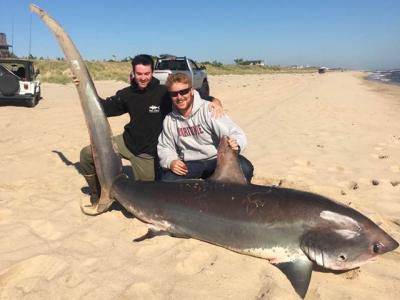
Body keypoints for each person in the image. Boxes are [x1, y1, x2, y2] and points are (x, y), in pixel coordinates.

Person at [79, 54, 223, 204]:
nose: (143, 78)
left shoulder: (164, 93)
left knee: (147, 198)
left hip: (148, 154)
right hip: (126, 142)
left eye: (147, 73)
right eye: (139, 74)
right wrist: (83, 86)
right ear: (133, 73)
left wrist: (215, 102)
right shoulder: (126, 94)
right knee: (87, 155)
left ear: (152, 72)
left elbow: (198, 98)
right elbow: (102, 108)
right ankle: (98, 192)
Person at [157, 72, 254, 182]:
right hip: (192, 163)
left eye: (183, 92)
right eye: (174, 94)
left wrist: (236, 143)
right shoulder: (169, 120)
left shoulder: (209, 110)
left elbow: (234, 131)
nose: (179, 97)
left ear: (192, 91)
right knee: (168, 179)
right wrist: (171, 161)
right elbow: (165, 147)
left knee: (245, 168)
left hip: (216, 160)